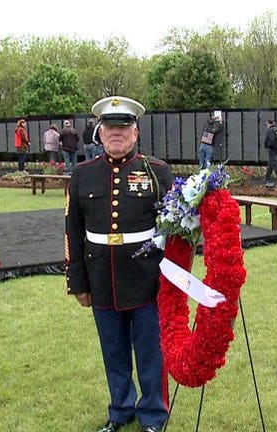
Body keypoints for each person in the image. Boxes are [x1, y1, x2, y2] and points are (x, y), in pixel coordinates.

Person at [65, 96, 172, 432]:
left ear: (135, 131)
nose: (116, 133)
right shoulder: (82, 174)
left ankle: (153, 416)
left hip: (146, 279)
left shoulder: (157, 172)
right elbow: (73, 231)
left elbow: (174, 228)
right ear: (99, 132)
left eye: (123, 127)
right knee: (113, 353)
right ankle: (120, 410)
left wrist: (173, 280)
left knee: (150, 355)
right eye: (110, 126)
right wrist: (78, 283)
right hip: (101, 278)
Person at [263, 119, 277, 185]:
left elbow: (271, 140)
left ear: (269, 124)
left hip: (272, 149)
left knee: (274, 163)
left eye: (266, 124)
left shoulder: (270, 130)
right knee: (271, 163)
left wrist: (267, 145)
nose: (266, 126)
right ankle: (267, 177)